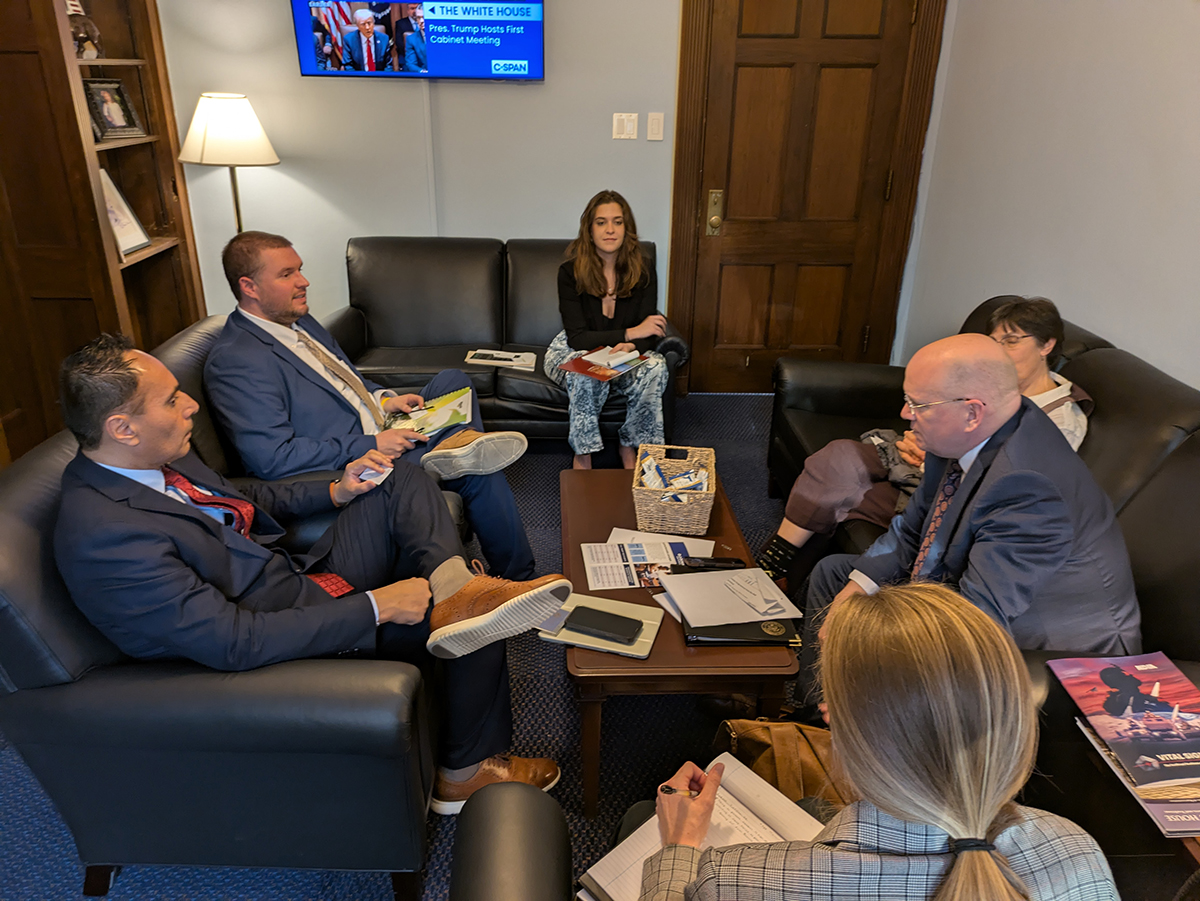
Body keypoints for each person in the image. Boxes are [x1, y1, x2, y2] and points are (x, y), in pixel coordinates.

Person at [53, 334, 568, 814]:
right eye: (170, 400)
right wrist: (377, 606)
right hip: (286, 630)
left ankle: (459, 584)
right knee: (470, 624)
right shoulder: (106, 535)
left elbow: (241, 496)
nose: (189, 405)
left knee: (398, 478)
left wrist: (338, 491)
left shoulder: (154, 461)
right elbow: (232, 642)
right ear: (122, 427)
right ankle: (464, 773)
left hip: (296, 576)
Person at [640, 582, 1119, 901]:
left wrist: (679, 849)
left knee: (636, 819)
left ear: (845, 738)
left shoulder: (731, 879)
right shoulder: (1077, 853)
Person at [204, 231, 536, 581]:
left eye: (299, 270)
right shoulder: (237, 360)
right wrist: (372, 444)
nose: (304, 282)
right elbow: (274, 458)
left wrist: (385, 399)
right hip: (357, 458)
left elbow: (349, 381)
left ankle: (453, 450)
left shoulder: (299, 322)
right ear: (249, 286)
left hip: (382, 425)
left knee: (455, 380)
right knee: (477, 469)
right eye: (286, 275)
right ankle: (517, 576)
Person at [800, 332, 1140, 663]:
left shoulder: (1029, 487)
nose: (906, 414)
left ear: (972, 413)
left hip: (1043, 646)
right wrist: (858, 588)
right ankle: (819, 710)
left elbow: (976, 617)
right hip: (957, 579)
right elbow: (913, 526)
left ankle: (848, 709)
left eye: (917, 404)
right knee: (835, 579)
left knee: (873, 632)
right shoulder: (960, 433)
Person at [757, 297, 1092, 582]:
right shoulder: (995, 383)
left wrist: (933, 453)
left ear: (1046, 345)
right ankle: (773, 567)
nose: (999, 350)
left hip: (947, 482)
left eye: (1012, 340)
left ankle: (776, 579)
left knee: (846, 498)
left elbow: (1000, 480)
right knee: (839, 457)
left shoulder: (1059, 421)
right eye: (995, 340)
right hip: (928, 458)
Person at [544, 190, 670, 469]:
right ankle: (584, 455)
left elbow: (649, 330)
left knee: (657, 366)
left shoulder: (644, 268)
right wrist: (628, 334)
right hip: (572, 348)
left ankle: (629, 446)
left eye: (618, 221)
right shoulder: (569, 272)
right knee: (585, 372)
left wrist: (633, 345)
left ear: (628, 228)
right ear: (589, 230)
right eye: (601, 222)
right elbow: (578, 337)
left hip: (622, 354)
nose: (610, 229)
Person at [404, 5, 427, 72]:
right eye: (418, 18)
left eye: (424, 17)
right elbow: (411, 64)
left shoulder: (442, 36)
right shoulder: (411, 39)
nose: (421, 21)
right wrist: (422, 71)